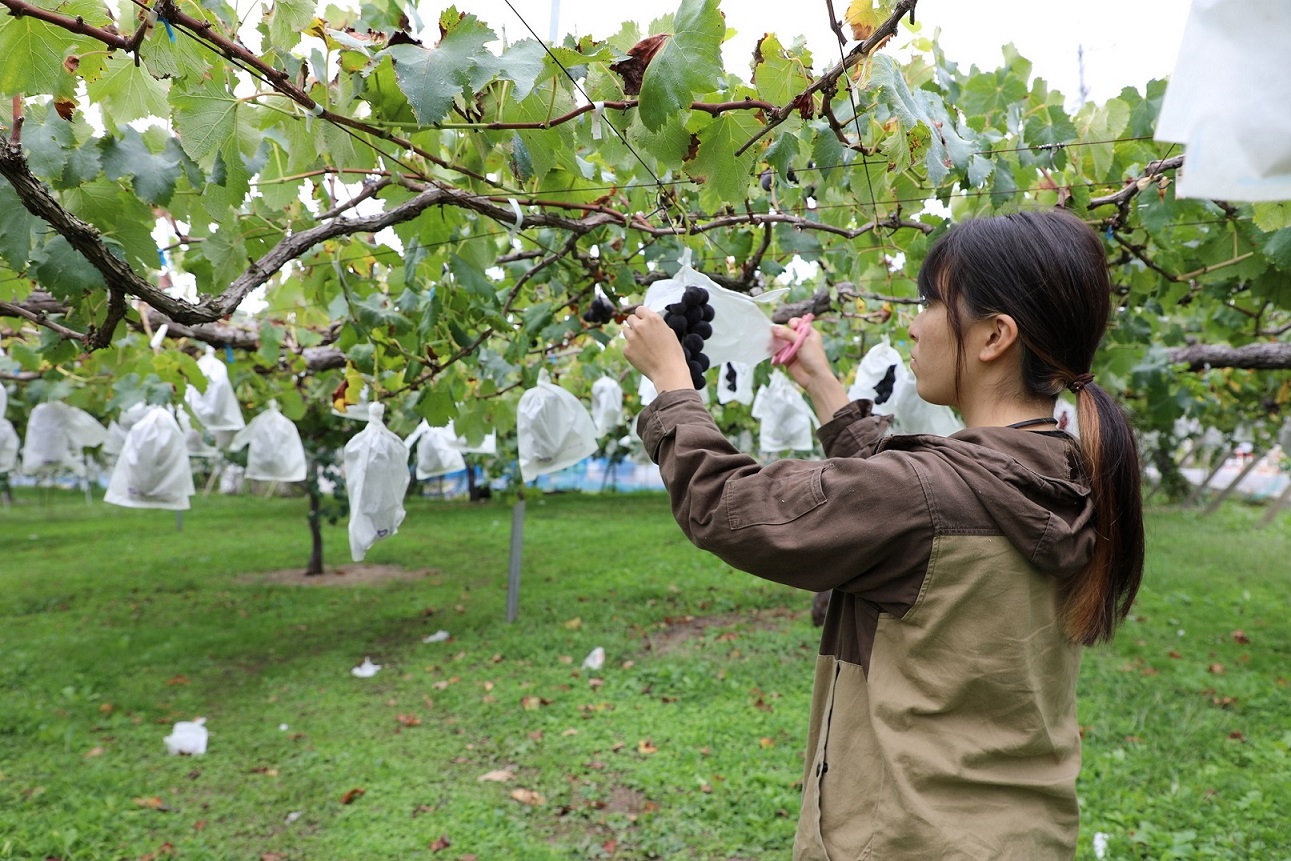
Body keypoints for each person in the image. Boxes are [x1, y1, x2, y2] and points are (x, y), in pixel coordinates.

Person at [621, 208, 1144, 861]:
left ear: (992, 337)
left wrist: (672, 388)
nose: (911, 321)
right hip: (1019, 834)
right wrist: (822, 386)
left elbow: (727, 506)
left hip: (904, 837)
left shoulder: (925, 494)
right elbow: (917, 498)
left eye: (930, 301)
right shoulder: (1071, 475)